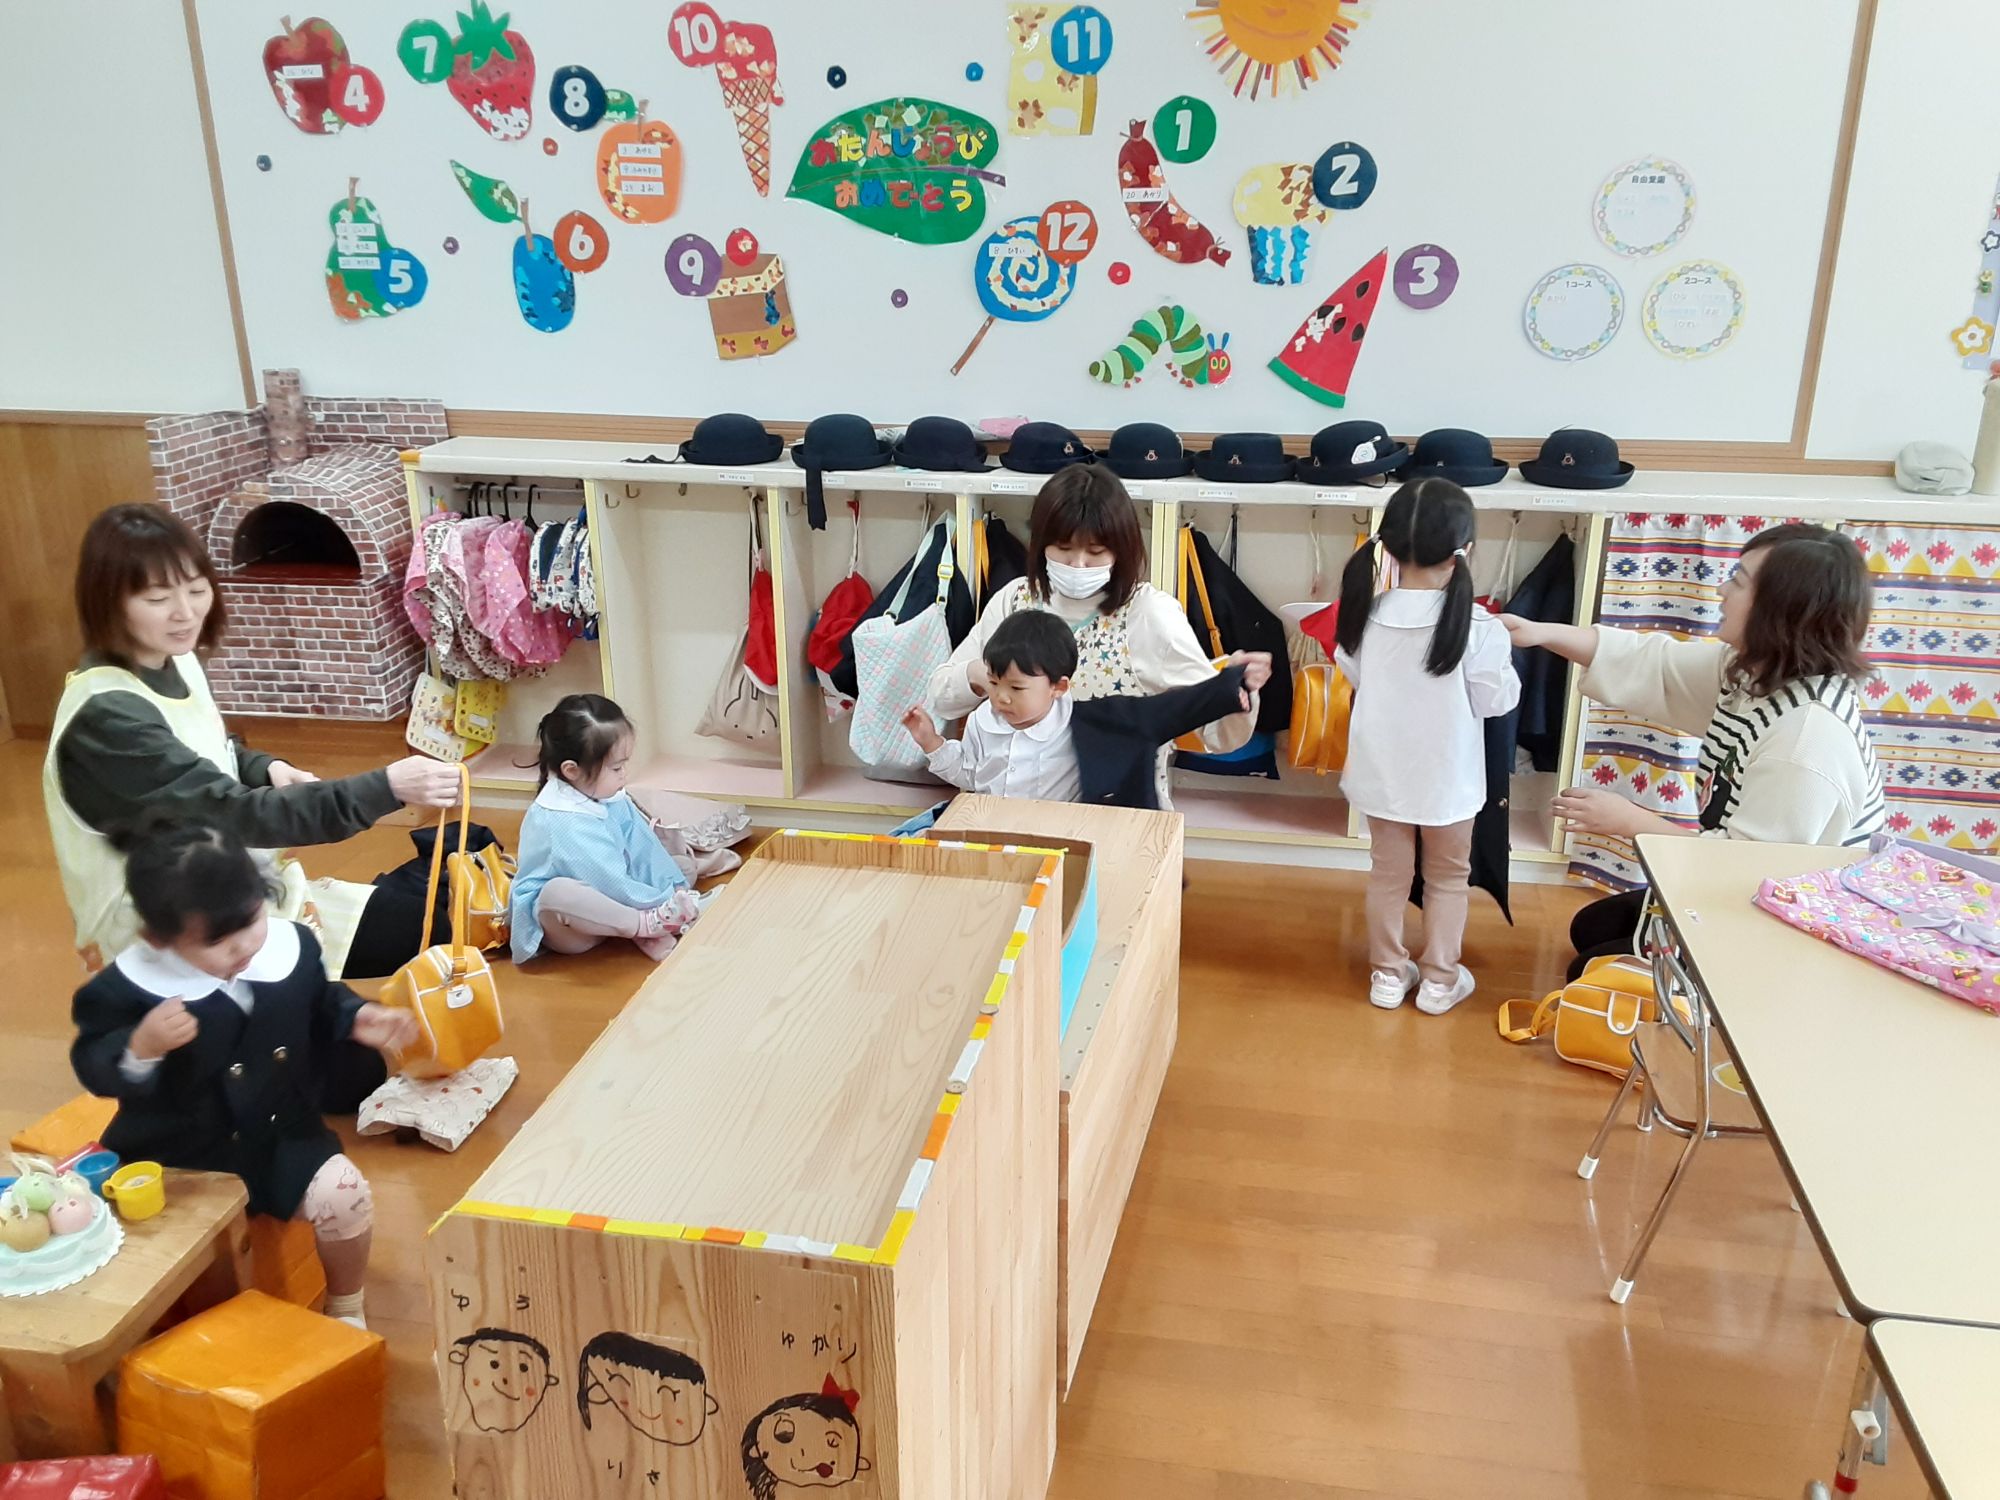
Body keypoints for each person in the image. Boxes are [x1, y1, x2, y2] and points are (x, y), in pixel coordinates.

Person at [46, 504, 464, 983]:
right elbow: (236, 815)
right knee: (353, 996)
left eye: (196, 589)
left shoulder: (171, 659)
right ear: (108, 602)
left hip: (235, 891)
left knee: (433, 922)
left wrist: (265, 767)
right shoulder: (106, 718)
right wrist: (387, 787)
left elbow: (207, 751)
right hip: (178, 938)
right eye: (158, 598)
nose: (186, 613)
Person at [69, 820, 419, 1330]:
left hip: (283, 1138)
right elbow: (93, 1064)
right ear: (159, 939)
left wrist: (356, 1016)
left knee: (346, 1197)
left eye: (252, 920)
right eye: (217, 941)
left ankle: (346, 1304)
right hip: (175, 1150)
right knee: (131, 1248)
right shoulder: (125, 990)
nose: (243, 947)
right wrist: (140, 1047)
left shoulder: (291, 947)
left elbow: (322, 1000)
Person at [1501, 522, 1885, 979]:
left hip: (1791, 921)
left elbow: (1749, 867)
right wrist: (1538, 632)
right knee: (1592, 929)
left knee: (1590, 971)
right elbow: (1656, 664)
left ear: (1781, 608)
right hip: (1734, 881)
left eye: (1738, 581)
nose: (1722, 591)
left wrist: (1629, 821)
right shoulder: (1755, 673)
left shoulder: (1806, 741)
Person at [927, 464, 1256, 807]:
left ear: (1121, 550)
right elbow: (942, 698)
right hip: (1010, 814)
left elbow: (1217, 733)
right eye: (1063, 548)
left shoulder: (1149, 614)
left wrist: (1239, 687)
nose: (1078, 564)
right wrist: (983, 676)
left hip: (1117, 815)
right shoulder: (1014, 600)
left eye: (1096, 552)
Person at [1336, 478, 1521, 1015]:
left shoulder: (1362, 615)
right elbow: (1495, 701)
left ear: (1389, 547)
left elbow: (1357, 678)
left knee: (1387, 875)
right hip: (1449, 781)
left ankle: (1387, 975)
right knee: (1448, 877)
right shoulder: (1480, 627)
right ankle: (1440, 980)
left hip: (1381, 775)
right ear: (1466, 550)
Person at [902, 609, 1272, 810]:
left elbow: (1169, 709)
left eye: (1016, 688)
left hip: (1065, 844)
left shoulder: (1094, 724)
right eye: (994, 683)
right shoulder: (985, 720)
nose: (1002, 698)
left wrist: (1228, 682)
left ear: (1058, 687)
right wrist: (932, 742)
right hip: (995, 837)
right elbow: (971, 774)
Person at [510, 694, 702, 963]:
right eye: (616, 767)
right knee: (558, 893)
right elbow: (607, 880)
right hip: (572, 929)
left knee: (681, 867)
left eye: (624, 764)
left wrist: (674, 888)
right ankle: (646, 925)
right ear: (572, 771)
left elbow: (642, 847)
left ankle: (645, 922)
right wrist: (664, 902)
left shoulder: (607, 794)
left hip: (611, 904)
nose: (624, 774)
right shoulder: (562, 820)